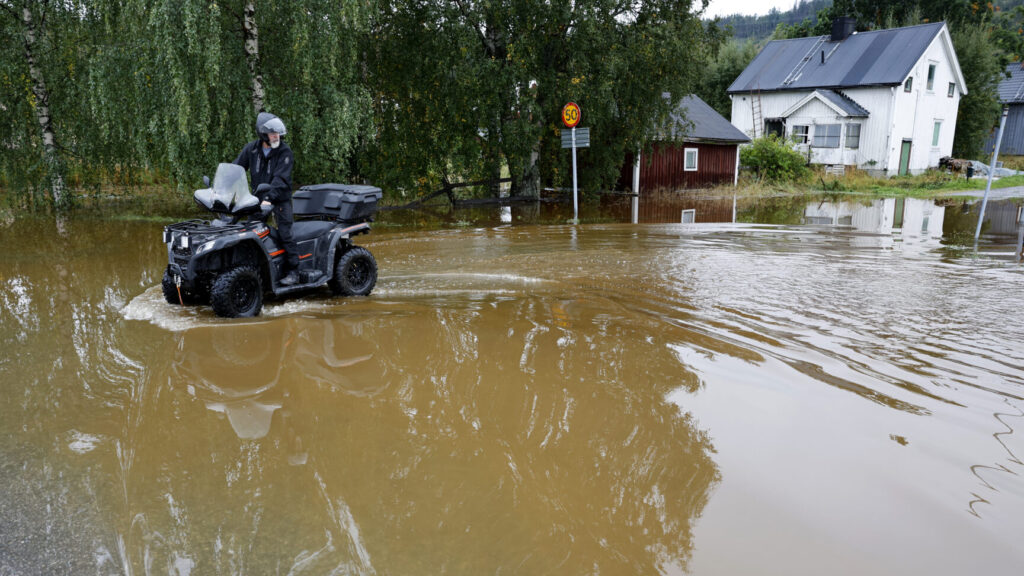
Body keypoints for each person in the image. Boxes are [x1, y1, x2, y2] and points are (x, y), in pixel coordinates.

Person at [234, 112, 300, 285]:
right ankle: (254, 270)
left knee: (285, 233)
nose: (276, 136)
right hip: (258, 199)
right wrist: (222, 188)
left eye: (278, 133)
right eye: (272, 133)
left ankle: (294, 271)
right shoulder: (252, 149)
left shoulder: (285, 151)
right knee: (250, 233)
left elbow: (281, 179)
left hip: (279, 198)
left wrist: (270, 198)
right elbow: (236, 169)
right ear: (263, 134)